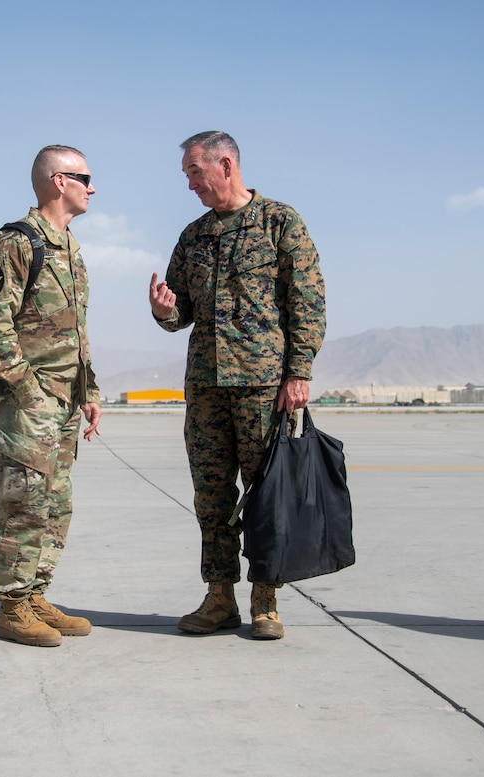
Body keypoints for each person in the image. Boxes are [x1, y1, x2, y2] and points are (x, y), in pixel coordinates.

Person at [149, 131, 325, 640]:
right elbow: (180, 312)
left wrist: (299, 371)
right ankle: (219, 596)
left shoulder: (280, 222)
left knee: (267, 494)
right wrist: (164, 311)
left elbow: (307, 302)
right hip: (205, 387)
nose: (190, 185)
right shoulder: (194, 236)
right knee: (211, 496)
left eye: (194, 173)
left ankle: (265, 598)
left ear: (225, 165)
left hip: (263, 387)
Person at [0, 144, 102, 647]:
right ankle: (12, 606)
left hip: (65, 403)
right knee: (20, 501)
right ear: (57, 181)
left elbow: (75, 331)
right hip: (27, 405)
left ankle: (35, 595)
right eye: (84, 177)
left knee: (55, 504)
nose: (92, 187)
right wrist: (26, 388)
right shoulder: (14, 243)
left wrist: (88, 391)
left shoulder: (68, 246)